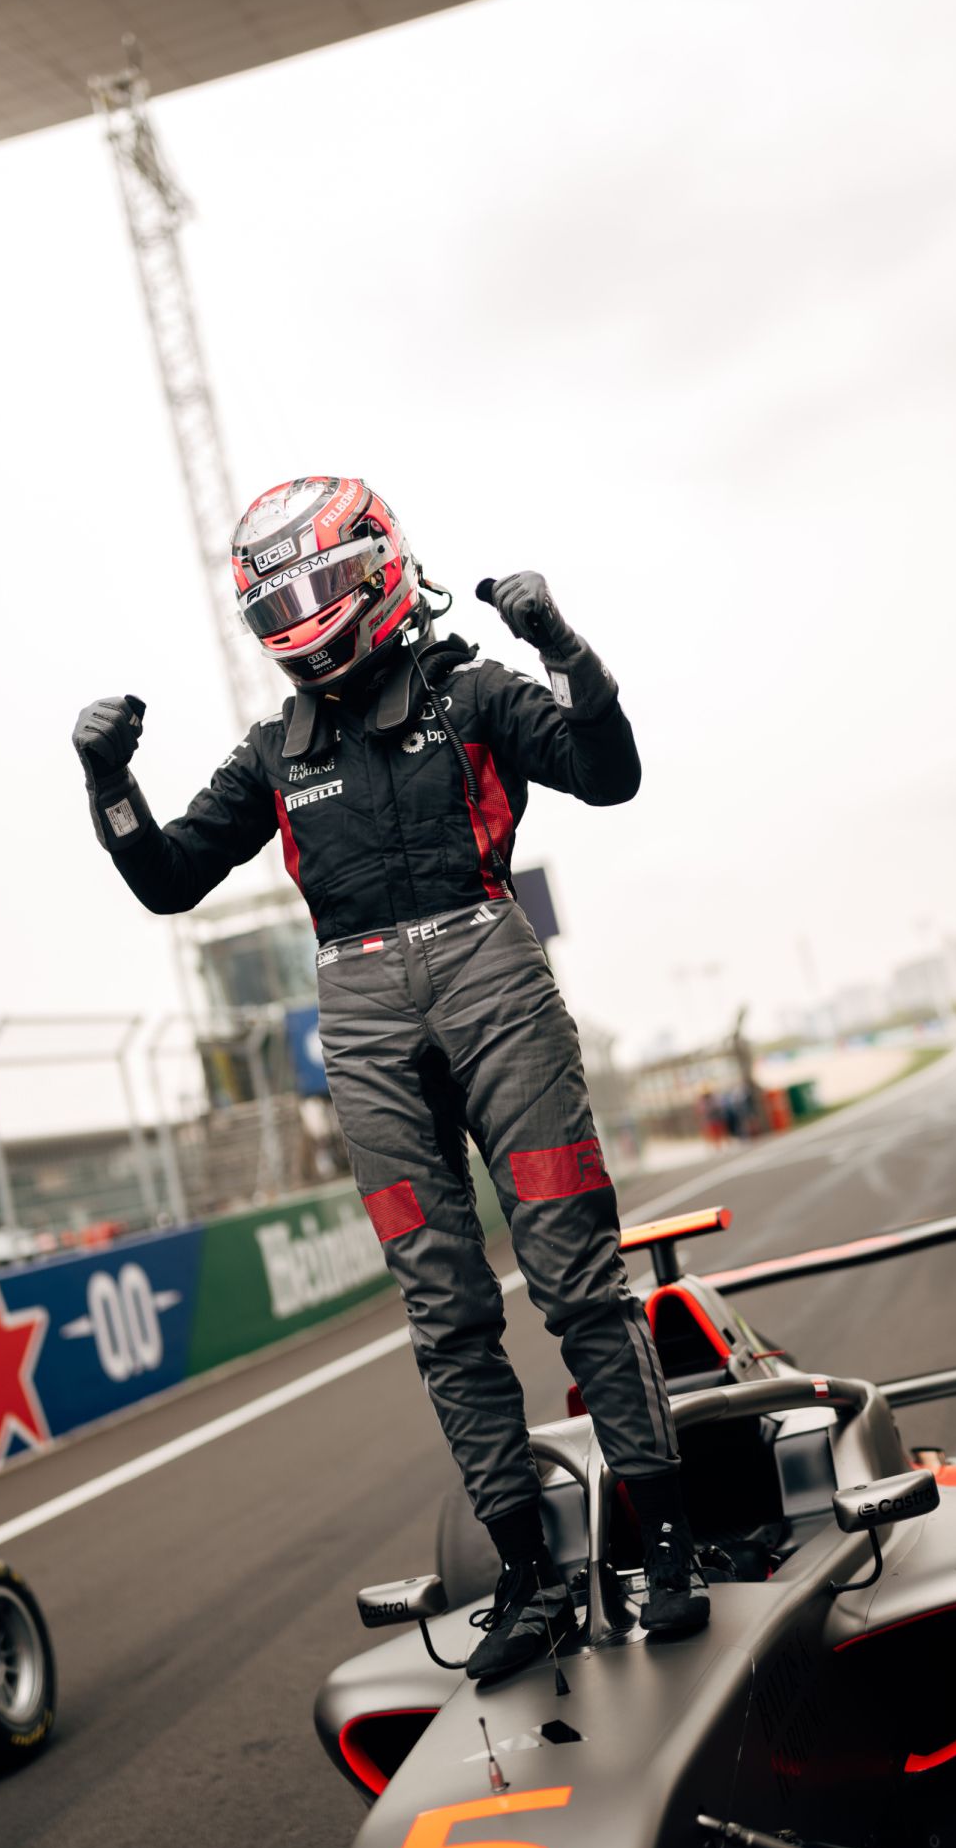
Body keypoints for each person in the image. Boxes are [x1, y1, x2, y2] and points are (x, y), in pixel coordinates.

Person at [73, 475, 708, 1678]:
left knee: (576, 1277)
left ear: (376, 566)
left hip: (489, 971)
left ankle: (666, 1542)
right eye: (280, 598)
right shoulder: (272, 750)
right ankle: (525, 1581)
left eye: (320, 585)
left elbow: (609, 772)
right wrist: (109, 784)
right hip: (357, 1010)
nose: (303, 615)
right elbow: (167, 882)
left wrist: (564, 646)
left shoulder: (474, 690)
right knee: (443, 1311)